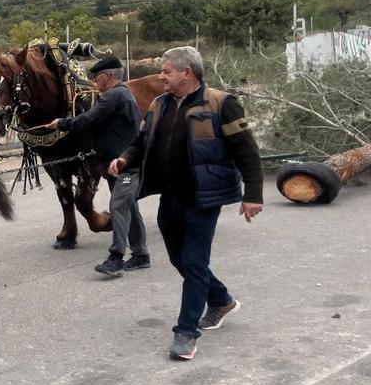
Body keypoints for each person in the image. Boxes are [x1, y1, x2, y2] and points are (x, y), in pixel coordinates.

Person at [109, 47, 262, 361]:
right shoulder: (158, 104)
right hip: (170, 194)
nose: (161, 76)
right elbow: (141, 141)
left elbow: (247, 151)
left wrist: (253, 195)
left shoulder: (222, 104)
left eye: (166, 71)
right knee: (181, 260)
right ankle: (221, 300)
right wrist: (124, 159)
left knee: (193, 261)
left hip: (204, 197)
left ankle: (186, 332)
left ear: (186, 73)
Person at [34, 55, 150, 277]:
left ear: (107, 76)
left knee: (118, 208)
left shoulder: (113, 96)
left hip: (122, 164)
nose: (94, 83)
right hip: (121, 162)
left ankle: (116, 258)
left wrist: (62, 123)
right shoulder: (124, 94)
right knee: (130, 208)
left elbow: (89, 119)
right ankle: (141, 255)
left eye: (96, 77)